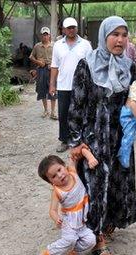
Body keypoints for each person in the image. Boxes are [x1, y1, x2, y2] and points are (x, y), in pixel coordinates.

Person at [68, 16, 136, 255]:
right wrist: (77, 142)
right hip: (94, 136)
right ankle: (96, 238)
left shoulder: (129, 66)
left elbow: (133, 100)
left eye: (123, 35)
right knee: (96, 184)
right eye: (114, 34)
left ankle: (109, 222)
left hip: (120, 136)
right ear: (104, 36)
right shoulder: (86, 64)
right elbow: (76, 105)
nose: (119, 40)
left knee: (118, 180)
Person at [36, 150, 98, 255]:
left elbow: (75, 154)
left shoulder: (72, 172)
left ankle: (66, 251)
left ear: (63, 165)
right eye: (53, 176)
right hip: (69, 221)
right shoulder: (57, 192)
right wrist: (56, 218)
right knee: (69, 239)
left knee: (91, 241)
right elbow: (52, 210)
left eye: (59, 170)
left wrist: (87, 155)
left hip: (81, 221)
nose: (59, 175)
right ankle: (45, 254)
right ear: (51, 182)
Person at [50, 17, 92, 153]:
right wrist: (52, 84)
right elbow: (54, 66)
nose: (71, 30)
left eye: (73, 27)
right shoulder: (58, 45)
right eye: (68, 27)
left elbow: (91, 66)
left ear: (77, 28)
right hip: (63, 86)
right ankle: (64, 140)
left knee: (82, 113)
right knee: (63, 115)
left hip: (82, 87)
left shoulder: (85, 44)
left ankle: (81, 139)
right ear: (63, 29)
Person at [29, 27, 57, 120]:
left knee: (53, 89)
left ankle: (53, 112)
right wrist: (38, 62)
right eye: (43, 35)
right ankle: (46, 110)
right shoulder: (37, 46)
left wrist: (53, 65)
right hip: (41, 70)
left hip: (51, 70)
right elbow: (31, 57)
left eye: (47, 34)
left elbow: (59, 58)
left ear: (49, 35)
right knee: (42, 90)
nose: (45, 36)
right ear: (41, 36)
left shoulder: (55, 46)